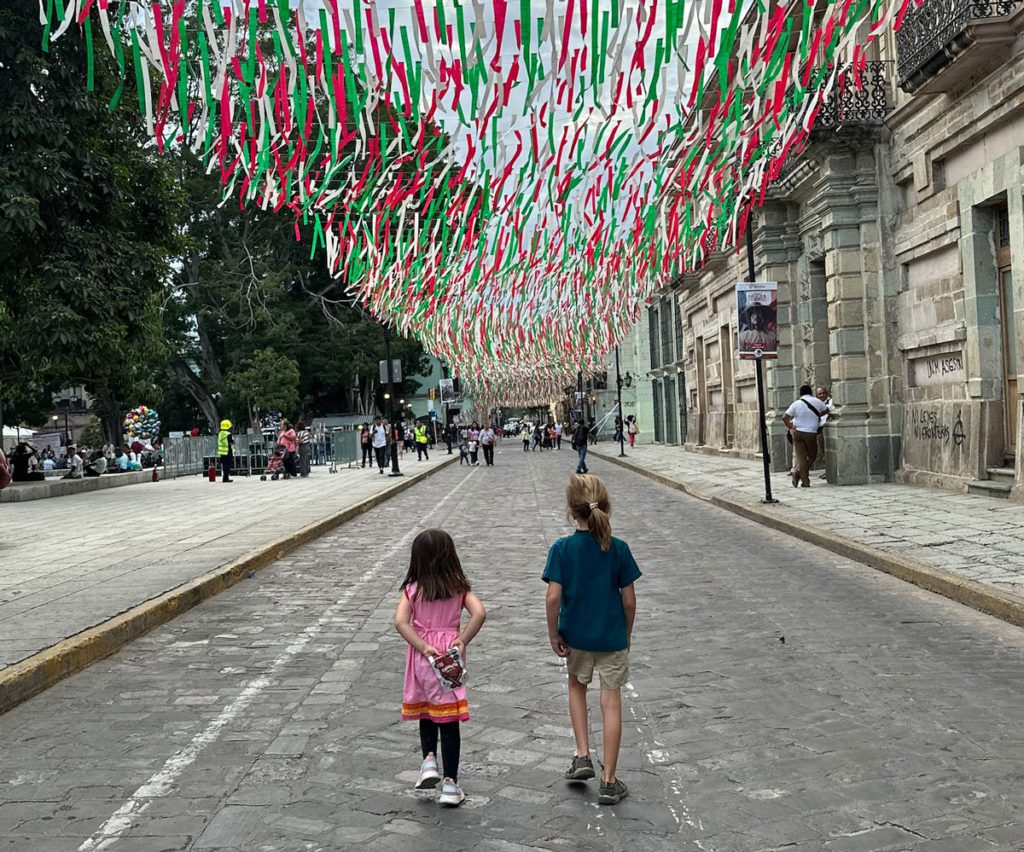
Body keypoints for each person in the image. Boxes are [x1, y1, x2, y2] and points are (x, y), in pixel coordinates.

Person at [543, 474, 641, 806]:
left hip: (577, 638)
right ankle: (609, 781)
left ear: (572, 511)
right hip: (611, 638)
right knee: (611, 702)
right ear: (606, 507)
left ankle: (582, 754)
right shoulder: (619, 549)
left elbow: (552, 597)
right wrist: (625, 632)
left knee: (576, 687)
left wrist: (553, 633)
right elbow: (629, 600)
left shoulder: (562, 549)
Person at [394, 529, 487, 807]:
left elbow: (400, 622)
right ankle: (450, 784)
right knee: (449, 721)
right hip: (449, 660)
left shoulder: (413, 590)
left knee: (426, 710)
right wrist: (461, 640)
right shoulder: (459, 587)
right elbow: (480, 613)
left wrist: (422, 646)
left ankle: (428, 762)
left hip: (424, 659)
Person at [782, 385, 827, 488]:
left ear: (800, 394)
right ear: (811, 392)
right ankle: (800, 476)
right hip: (811, 433)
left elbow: (785, 417)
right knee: (812, 456)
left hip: (797, 433)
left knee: (801, 458)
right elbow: (826, 410)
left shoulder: (796, 404)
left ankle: (803, 479)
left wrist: (791, 428)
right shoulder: (817, 401)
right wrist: (816, 416)